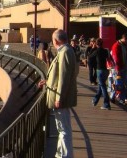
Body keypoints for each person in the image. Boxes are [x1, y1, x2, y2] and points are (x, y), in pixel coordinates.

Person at [38, 29, 77, 158]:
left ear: (55, 41)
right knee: (62, 128)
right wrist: (48, 81)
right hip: (60, 95)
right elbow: (61, 75)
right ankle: (61, 154)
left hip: (60, 98)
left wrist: (59, 97)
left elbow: (64, 77)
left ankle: (65, 155)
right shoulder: (66, 51)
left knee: (63, 129)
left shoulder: (65, 52)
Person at [91, 38, 111, 110]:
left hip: (99, 70)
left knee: (103, 87)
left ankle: (106, 104)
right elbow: (109, 58)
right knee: (100, 86)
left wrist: (93, 48)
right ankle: (95, 100)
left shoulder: (96, 51)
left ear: (96, 44)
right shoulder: (105, 51)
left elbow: (90, 57)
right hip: (106, 70)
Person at [111, 34, 127, 105]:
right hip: (119, 69)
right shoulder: (116, 46)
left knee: (123, 84)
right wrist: (118, 69)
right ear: (125, 39)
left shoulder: (124, 45)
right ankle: (115, 97)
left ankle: (118, 98)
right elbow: (115, 58)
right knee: (118, 84)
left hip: (124, 68)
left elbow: (126, 57)